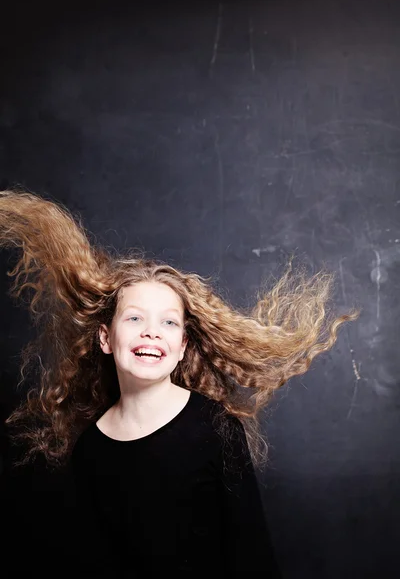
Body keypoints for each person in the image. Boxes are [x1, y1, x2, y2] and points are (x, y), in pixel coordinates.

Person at [0, 188, 358, 578]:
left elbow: (252, 555)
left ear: (182, 344)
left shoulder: (216, 428)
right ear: (105, 338)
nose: (152, 333)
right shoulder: (91, 450)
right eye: (134, 319)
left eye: (168, 322)